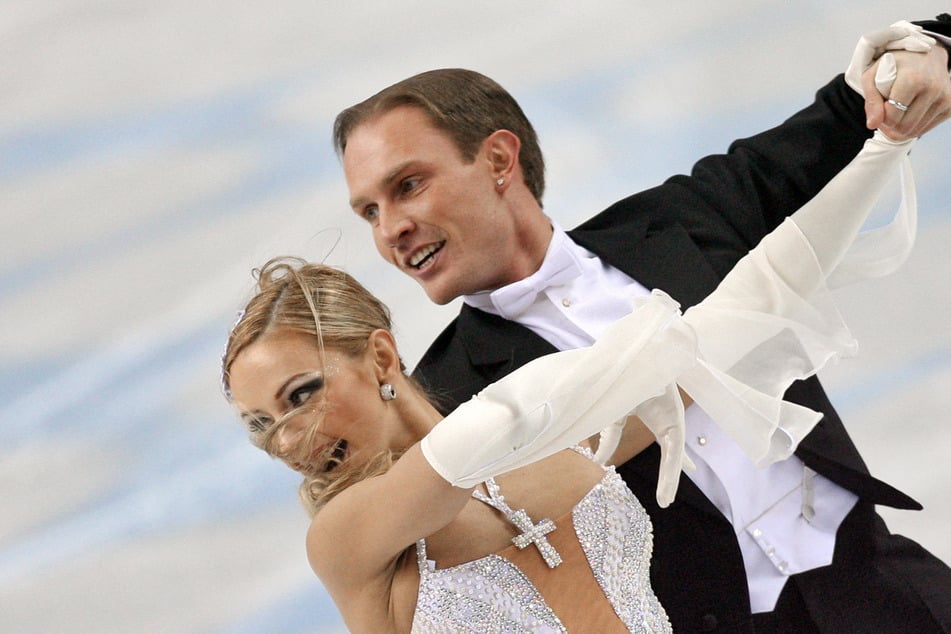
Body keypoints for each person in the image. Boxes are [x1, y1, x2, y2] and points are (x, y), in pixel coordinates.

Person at [331, 17, 951, 633]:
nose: (390, 230)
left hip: (891, 589)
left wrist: (925, 56)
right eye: (369, 213)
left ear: (498, 158)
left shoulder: (682, 219)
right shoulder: (441, 400)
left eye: (408, 186)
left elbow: (858, 102)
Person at [223, 128, 927, 632]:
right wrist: (611, 368)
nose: (284, 441)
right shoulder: (349, 538)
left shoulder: (554, 466)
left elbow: (737, 319)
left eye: (299, 396)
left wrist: (882, 151)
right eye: (258, 423)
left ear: (379, 358)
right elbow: (486, 430)